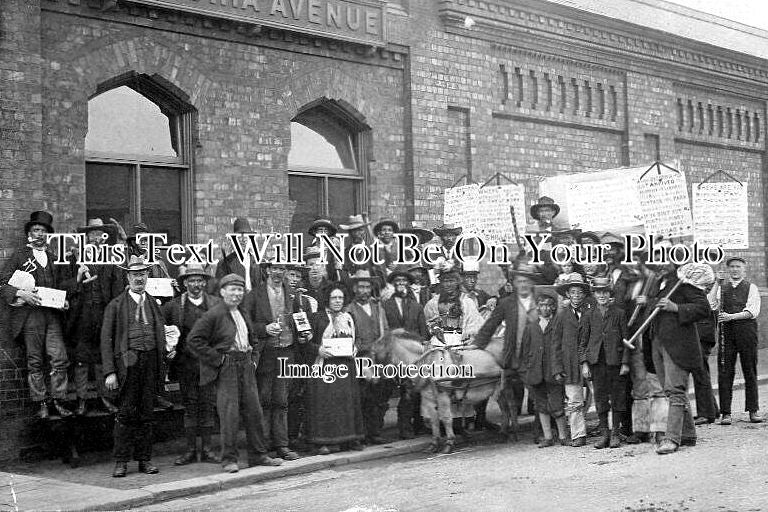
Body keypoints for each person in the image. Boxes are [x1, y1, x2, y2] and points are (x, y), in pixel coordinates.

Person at [187, 273, 282, 472]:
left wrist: (254, 360)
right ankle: (229, 460)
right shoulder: (214, 313)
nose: (237, 294)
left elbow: (253, 339)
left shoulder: (243, 311)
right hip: (227, 367)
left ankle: (259, 455)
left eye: (240, 290)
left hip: (246, 365)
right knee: (229, 415)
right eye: (232, 289)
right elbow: (194, 340)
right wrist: (218, 359)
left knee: (254, 412)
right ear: (222, 292)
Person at [0, 211, 72, 419]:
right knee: (35, 361)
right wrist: (21, 293)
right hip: (30, 316)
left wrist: (64, 301)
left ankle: (58, 399)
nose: (39, 234)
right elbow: (3, 283)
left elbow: (63, 285)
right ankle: (41, 402)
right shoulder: (20, 256)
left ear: (48, 235)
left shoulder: (53, 258)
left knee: (59, 358)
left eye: (42, 231)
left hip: (53, 316)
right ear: (29, 234)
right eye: (35, 230)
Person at [101, 255, 166, 477]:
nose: (139, 278)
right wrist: (110, 371)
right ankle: (121, 461)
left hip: (149, 364)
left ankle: (144, 460)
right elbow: (106, 340)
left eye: (143, 274)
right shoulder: (116, 305)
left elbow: (161, 334)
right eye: (135, 274)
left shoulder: (154, 304)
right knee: (126, 413)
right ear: (127, 277)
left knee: (146, 413)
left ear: (148, 276)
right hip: (127, 366)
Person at [639, 262, 711, 455]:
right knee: (669, 390)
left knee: (675, 389)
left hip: (677, 345)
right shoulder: (655, 284)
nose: (658, 265)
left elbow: (703, 308)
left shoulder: (684, 282)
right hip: (656, 342)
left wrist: (676, 307)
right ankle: (688, 434)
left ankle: (672, 438)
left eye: (662, 260)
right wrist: (646, 303)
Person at [249, 257, 311, 461]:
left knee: (282, 401)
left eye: (281, 268)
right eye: (274, 268)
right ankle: (263, 447)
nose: (278, 272)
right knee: (264, 400)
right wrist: (264, 329)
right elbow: (246, 323)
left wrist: (302, 334)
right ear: (267, 270)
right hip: (266, 353)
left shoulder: (292, 295)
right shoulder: (254, 295)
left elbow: (299, 320)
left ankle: (282, 446)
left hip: (287, 351)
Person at [162, 263, 220, 466]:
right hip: (186, 364)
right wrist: (169, 350)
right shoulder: (173, 306)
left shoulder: (215, 304)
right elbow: (164, 332)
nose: (196, 284)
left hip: (208, 365)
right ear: (185, 283)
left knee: (207, 405)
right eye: (191, 280)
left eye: (199, 280)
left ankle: (207, 449)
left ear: (205, 282)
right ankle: (189, 450)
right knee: (190, 406)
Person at [67, 218, 123, 416]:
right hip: (82, 313)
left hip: (104, 311)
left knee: (102, 355)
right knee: (81, 358)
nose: (97, 237)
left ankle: (104, 398)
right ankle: (82, 399)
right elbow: (65, 285)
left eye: (100, 234)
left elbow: (117, 286)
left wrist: (115, 311)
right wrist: (78, 277)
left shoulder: (112, 258)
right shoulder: (74, 257)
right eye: (93, 234)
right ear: (87, 236)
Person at [305, 283, 365, 454]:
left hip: (346, 366)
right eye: (334, 298)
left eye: (340, 297)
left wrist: (356, 348)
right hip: (325, 367)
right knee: (327, 404)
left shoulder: (349, 318)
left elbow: (358, 338)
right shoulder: (317, 318)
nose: (337, 301)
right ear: (327, 299)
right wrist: (318, 349)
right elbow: (305, 343)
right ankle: (323, 441)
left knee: (347, 402)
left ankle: (350, 439)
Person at [579, 277, 631, 449]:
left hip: (615, 362)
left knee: (617, 398)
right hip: (596, 363)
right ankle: (604, 434)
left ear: (610, 294)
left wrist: (625, 363)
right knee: (600, 399)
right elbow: (583, 342)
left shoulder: (619, 313)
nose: (601, 295)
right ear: (594, 294)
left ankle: (616, 433)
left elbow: (626, 341)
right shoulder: (588, 315)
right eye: (598, 292)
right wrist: (584, 363)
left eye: (605, 292)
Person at [712, 257, 762, 425]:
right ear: (728, 270)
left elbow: (752, 311)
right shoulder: (722, 288)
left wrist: (730, 317)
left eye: (738, 267)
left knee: (750, 369)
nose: (734, 269)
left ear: (744, 269)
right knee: (725, 372)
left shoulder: (751, 287)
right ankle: (726, 413)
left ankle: (753, 411)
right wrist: (716, 283)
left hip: (746, 332)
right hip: (726, 334)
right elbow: (711, 304)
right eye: (732, 267)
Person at [383, 268, 430, 439]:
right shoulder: (385, 306)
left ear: (409, 284)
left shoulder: (417, 307)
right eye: (398, 281)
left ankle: (416, 425)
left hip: (414, 355)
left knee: (414, 391)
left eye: (404, 281)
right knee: (400, 390)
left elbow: (423, 332)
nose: (401, 284)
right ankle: (403, 427)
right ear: (394, 284)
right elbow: (384, 331)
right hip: (395, 355)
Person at [345, 269, 391, 444]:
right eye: (361, 287)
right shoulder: (349, 310)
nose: (364, 290)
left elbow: (385, 330)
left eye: (367, 287)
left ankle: (375, 432)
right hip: (361, 360)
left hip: (379, 358)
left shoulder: (378, 308)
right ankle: (361, 434)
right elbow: (350, 338)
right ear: (355, 289)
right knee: (363, 397)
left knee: (380, 396)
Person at [520, 290, 568, 447]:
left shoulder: (557, 325)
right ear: (537, 307)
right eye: (542, 305)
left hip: (553, 373)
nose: (545, 308)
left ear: (554, 308)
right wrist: (527, 373)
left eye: (549, 305)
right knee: (540, 405)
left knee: (557, 405)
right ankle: (547, 437)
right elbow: (525, 353)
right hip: (536, 373)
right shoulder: (531, 328)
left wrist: (560, 369)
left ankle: (563, 436)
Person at [552, 273, 592, 447]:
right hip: (569, 363)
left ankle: (608, 430)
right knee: (574, 400)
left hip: (591, 361)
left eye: (579, 292)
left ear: (584, 294)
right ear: (567, 294)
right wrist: (557, 367)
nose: (576, 296)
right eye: (573, 292)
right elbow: (555, 344)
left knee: (599, 395)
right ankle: (578, 434)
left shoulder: (591, 312)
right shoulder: (561, 316)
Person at [215, 217, 264, 294]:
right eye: (239, 236)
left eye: (246, 236)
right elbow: (219, 290)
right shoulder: (225, 263)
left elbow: (261, 286)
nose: (243, 240)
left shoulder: (257, 262)